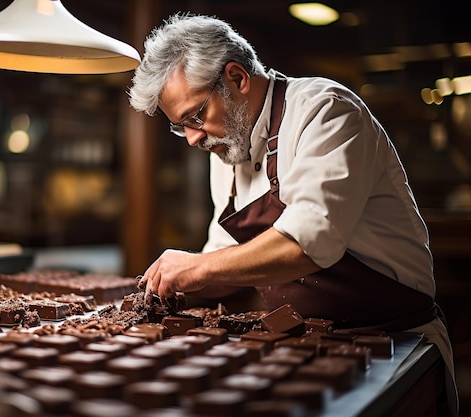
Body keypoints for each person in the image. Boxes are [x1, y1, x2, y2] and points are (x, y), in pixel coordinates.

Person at [128, 13, 458, 416]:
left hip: (395, 342)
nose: (194, 138)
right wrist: (168, 286)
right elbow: (223, 254)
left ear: (237, 78)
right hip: (300, 347)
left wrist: (197, 269)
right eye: (181, 127)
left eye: (196, 116)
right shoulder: (228, 146)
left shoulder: (325, 111)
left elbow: (307, 242)